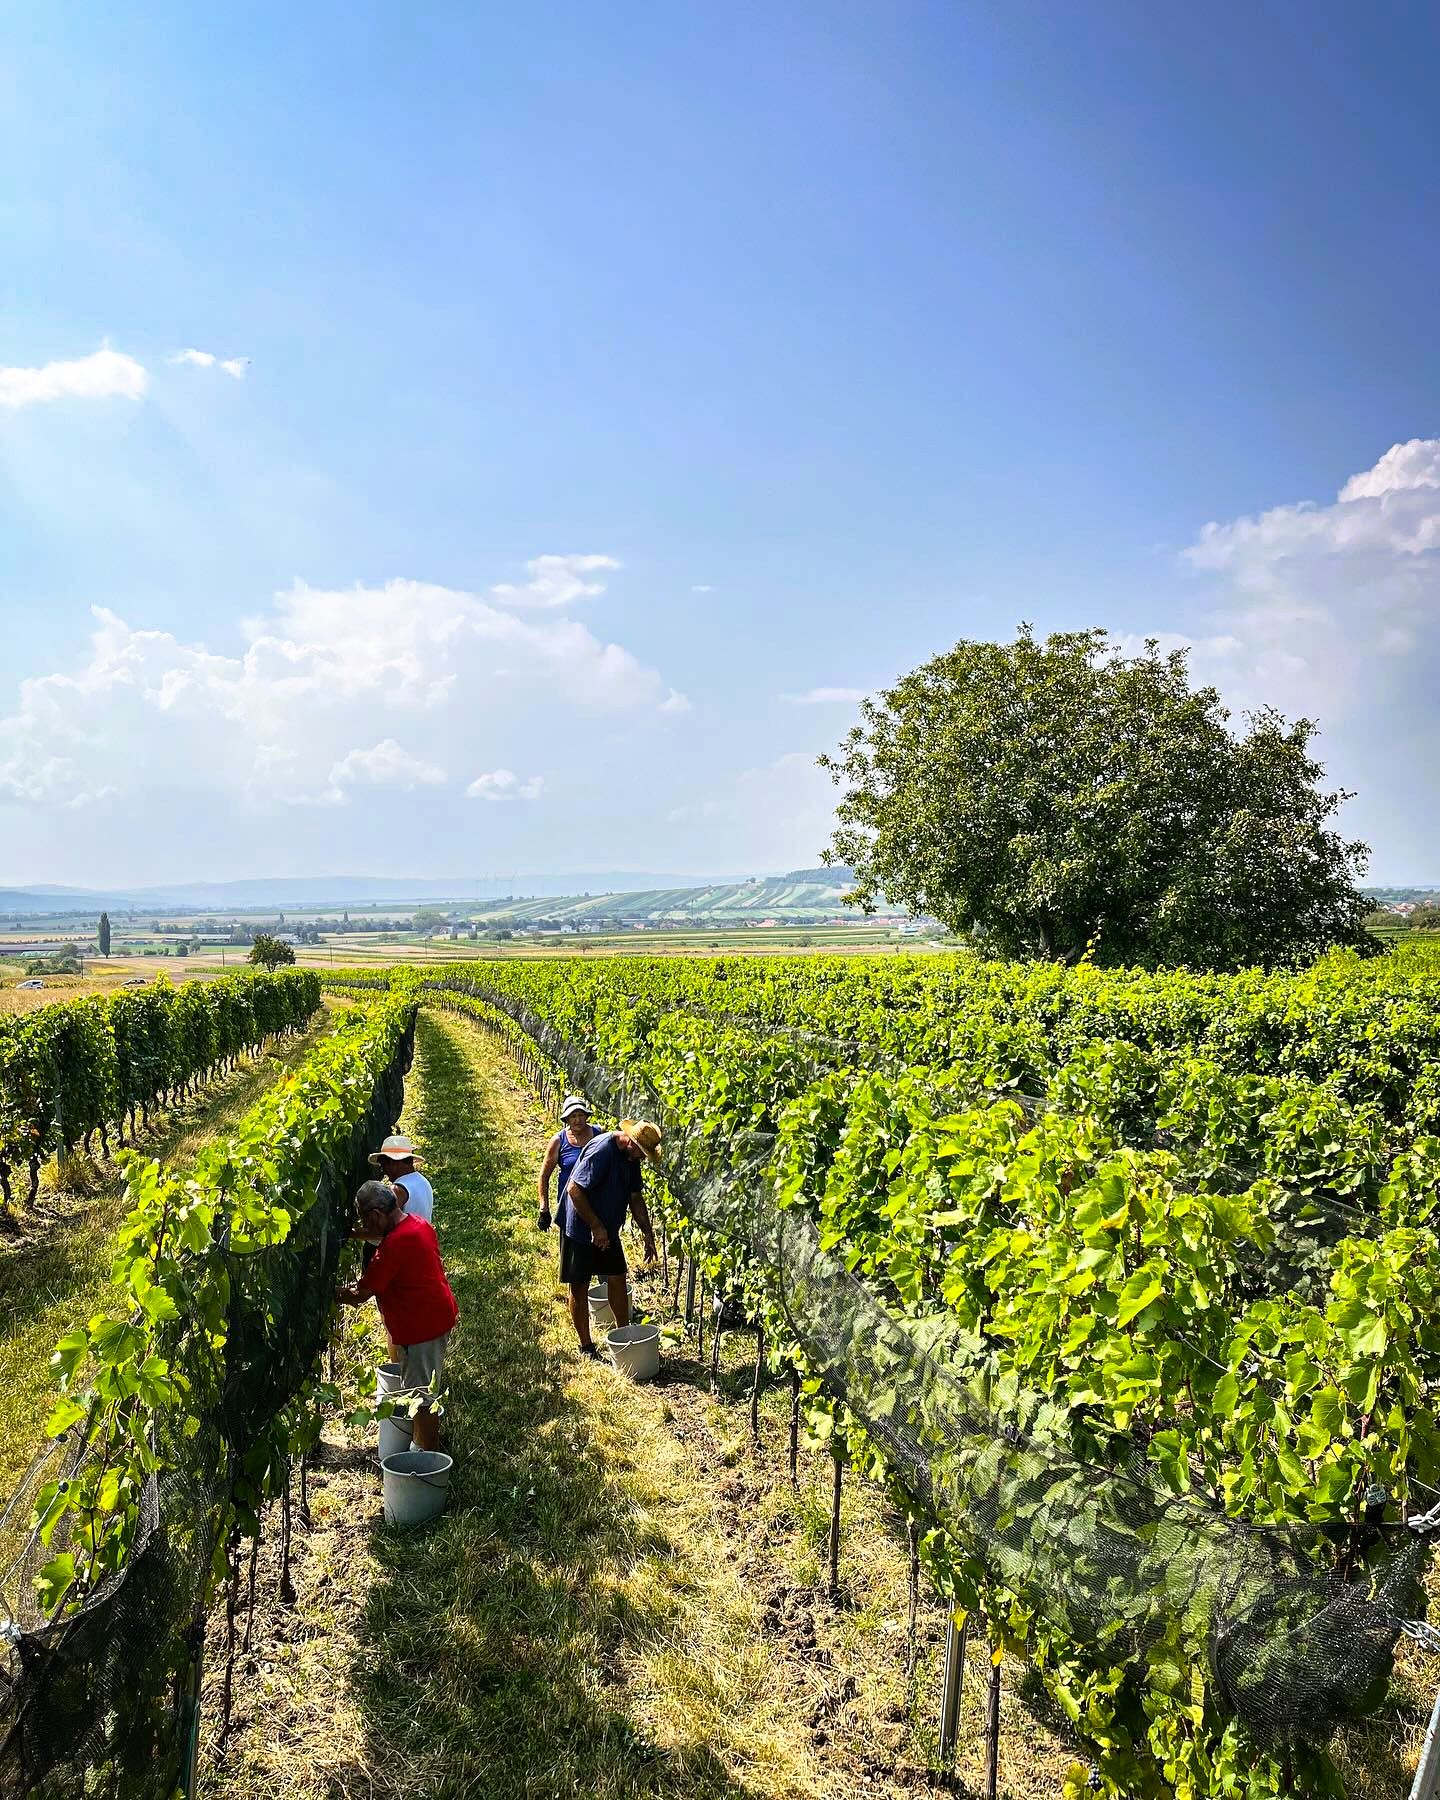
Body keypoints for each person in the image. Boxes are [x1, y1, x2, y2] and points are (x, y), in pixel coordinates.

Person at [336, 1179, 457, 1451]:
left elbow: (360, 1294)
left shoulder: (393, 1247)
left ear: (376, 1215)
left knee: (421, 1398)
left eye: (365, 1221)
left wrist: (326, 1293)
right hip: (436, 1316)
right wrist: (352, 1233)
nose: (365, 1228)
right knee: (424, 1387)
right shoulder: (416, 1224)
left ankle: (429, 1455)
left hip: (420, 1329)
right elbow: (383, 1236)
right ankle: (423, 1441)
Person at [561, 1119, 661, 1358]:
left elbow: (635, 1198)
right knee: (580, 1284)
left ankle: (624, 1335)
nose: (643, 1158)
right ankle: (586, 1346)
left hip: (607, 1228)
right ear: (632, 1143)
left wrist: (648, 1232)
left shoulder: (631, 1158)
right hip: (581, 1227)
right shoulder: (603, 1150)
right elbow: (573, 1189)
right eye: (642, 1152)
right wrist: (596, 1227)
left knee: (617, 1276)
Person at [537, 1096, 596, 1232]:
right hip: (569, 1204)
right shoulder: (558, 1141)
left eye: (581, 1115)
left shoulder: (598, 1134)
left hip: (596, 1202)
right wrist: (544, 1208)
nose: (577, 1119)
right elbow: (544, 1176)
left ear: (586, 1116)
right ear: (567, 1119)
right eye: (573, 1116)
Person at [368, 1134, 433, 1222]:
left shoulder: (398, 1189)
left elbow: (382, 1224)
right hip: (423, 1234)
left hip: (406, 1236)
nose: (383, 1171)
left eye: (383, 1165)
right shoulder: (422, 1181)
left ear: (394, 1162)